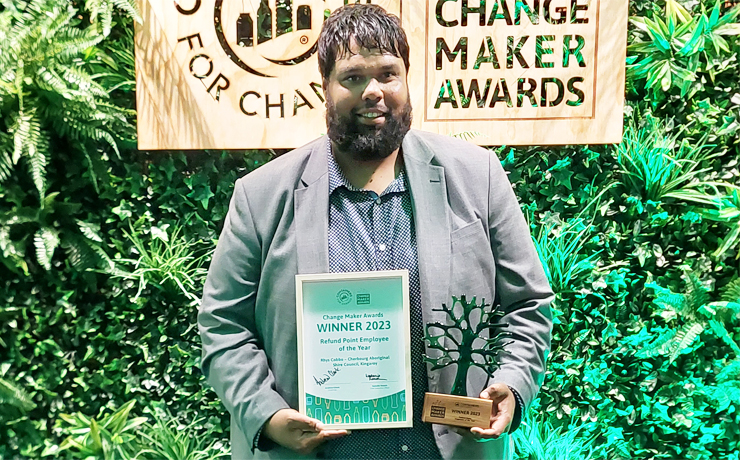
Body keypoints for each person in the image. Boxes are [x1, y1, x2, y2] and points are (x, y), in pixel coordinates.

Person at [198, 4, 553, 459]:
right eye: (352, 77)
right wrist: (265, 414)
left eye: (388, 74)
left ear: (406, 79)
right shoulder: (261, 196)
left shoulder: (476, 174)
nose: (373, 91)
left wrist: (513, 383)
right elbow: (223, 324)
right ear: (324, 87)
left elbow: (527, 302)